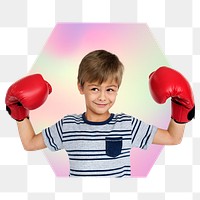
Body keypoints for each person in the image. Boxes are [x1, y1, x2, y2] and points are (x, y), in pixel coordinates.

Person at [5, 50, 195, 177]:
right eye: (95, 89)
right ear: (81, 87)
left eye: (110, 90)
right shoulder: (67, 125)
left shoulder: (127, 125)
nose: (103, 97)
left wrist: (181, 109)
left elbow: (172, 138)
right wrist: (20, 113)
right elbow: (30, 143)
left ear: (118, 89)